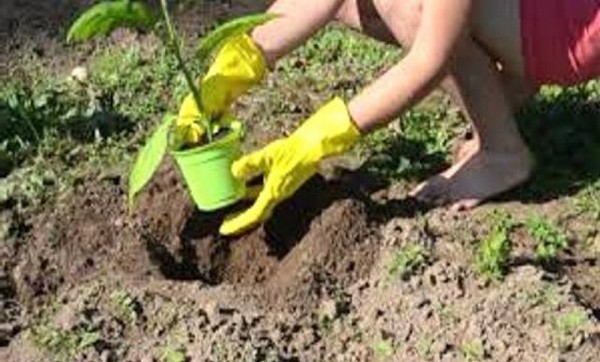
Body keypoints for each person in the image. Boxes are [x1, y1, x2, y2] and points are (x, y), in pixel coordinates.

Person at [176, 0, 600, 236]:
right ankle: (503, 91)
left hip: (567, 31)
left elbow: (427, 62)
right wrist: (232, 69)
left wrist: (316, 140)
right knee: (355, 4)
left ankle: (502, 151)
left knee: (404, 4)